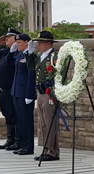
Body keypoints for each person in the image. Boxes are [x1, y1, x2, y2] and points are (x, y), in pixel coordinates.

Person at [26, 31, 60, 161]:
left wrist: (54, 93)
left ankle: (52, 151)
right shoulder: (40, 56)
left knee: (50, 122)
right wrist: (29, 54)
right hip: (40, 93)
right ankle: (46, 149)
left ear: (49, 43)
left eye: (41, 42)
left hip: (48, 93)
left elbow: (58, 74)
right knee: (43, 124)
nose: (38, 45)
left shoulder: (53, 56)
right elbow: (30, 67)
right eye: (38, 42)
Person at [0, 28, 20, 150]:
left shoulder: (17, 53)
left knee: (14, 116)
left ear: (16, 39)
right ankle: (10, 139)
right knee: (7, 115)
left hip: (10, 90)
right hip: (2, 90)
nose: (6, 39)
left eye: (9, 37)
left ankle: (17, 140)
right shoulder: (6, 52)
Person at [8, 33, 36, 155]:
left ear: (26, 42)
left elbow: (31, 75)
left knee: (26, 120)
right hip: (16, 92)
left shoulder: (31, 56)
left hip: (25, 93)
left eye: (19, 43)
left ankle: (28, 146)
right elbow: (9, 64)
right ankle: (22, 144)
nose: (17, 44)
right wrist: (10, 52)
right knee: (20, 120)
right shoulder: (18, 55)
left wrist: (29, 94)